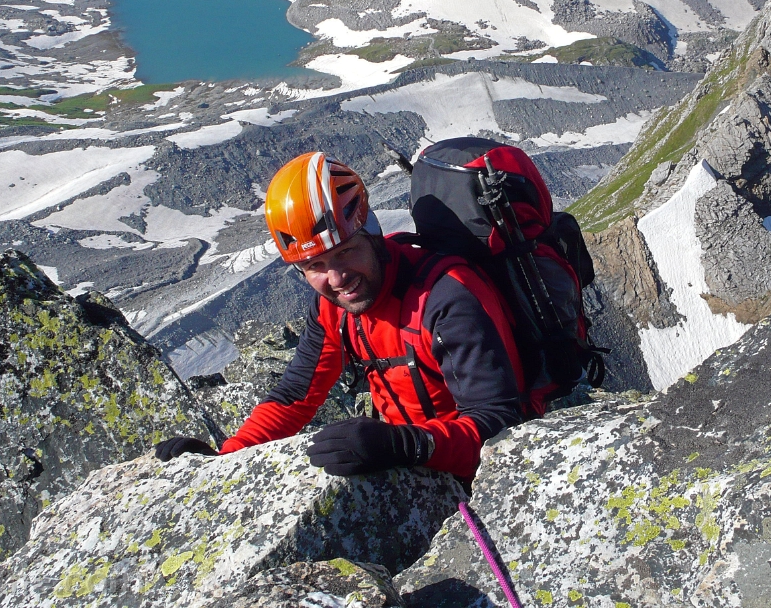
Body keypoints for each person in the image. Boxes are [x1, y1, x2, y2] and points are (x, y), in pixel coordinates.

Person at [154, 152, 524, 479]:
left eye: (346, 252)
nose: (337, 279)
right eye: (315, 265)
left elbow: (500, 422)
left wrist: (405, 446)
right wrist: (223, 460)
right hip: (408, 456)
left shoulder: (445, 297)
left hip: (467, 469)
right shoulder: (335, 309)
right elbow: (295, 395)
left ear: (373, 234)